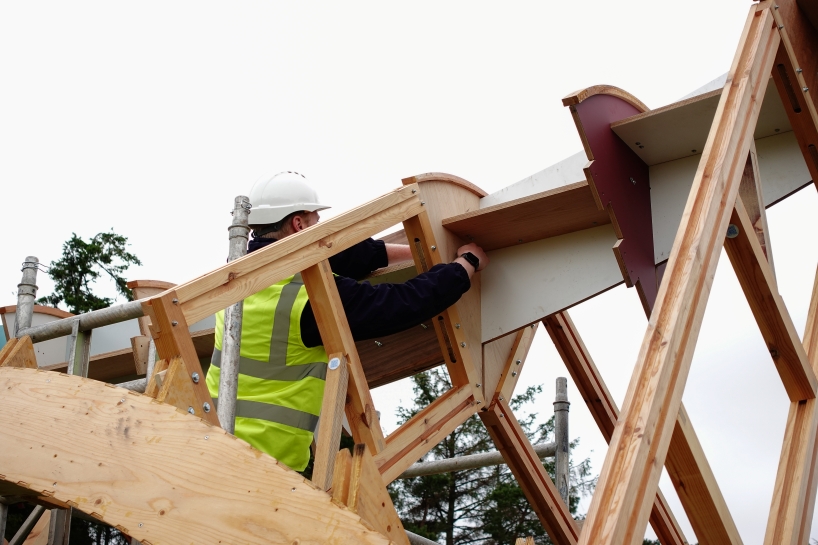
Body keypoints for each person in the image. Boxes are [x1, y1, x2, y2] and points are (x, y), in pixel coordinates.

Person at [205, 171, 488, 471]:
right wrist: (464, 265)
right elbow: (400, 304)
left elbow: (336, 253)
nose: (320, 231)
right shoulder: (306, 299)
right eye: (315, 223)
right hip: (267, 464)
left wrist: (415, 253)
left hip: (210, 443)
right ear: (298, 224)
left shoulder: (233, 284)